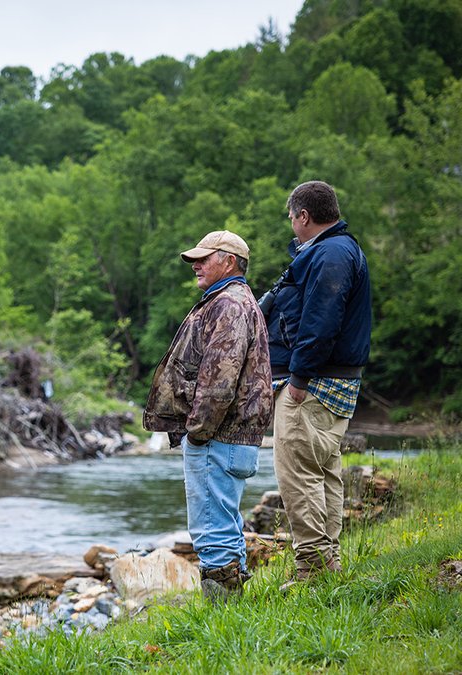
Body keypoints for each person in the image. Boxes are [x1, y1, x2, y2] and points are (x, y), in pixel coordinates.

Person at [144, 230, 274, 601]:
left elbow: (220, 379)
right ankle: (234, 610)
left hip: (217, 436)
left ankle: (221, 617)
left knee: (210, 530)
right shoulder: (231, 300)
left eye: (204, 257)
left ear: (229, 261)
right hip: (230, 436)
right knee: (225, 523)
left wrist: (197, 432)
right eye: (194, 259)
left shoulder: (228, 305)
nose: (196, 265)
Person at [267, 180, 371, 590]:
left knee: (298, 477)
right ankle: (329, 566)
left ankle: (311, 572)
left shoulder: (330, 254)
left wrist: (298, 377)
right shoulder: (339, 250)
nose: (292, 226)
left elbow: (322, 318)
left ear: (303, 216)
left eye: (292, 218)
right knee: (324, 474)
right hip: (331, 382)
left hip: (313, 384)